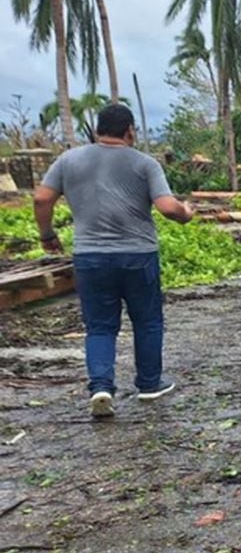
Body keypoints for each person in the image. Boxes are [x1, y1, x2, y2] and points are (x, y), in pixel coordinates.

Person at [33, 104, 195, 418]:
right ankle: (149, 384)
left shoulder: (68, 160)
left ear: (97, 131)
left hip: (90, 258)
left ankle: (101, 387)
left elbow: (41, 198)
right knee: (147, 321)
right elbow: (167, 208)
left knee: (100, 327)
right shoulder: (145, 163)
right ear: (130, 131)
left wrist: (47, 235)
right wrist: (186, 213)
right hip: (138, 256)